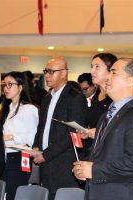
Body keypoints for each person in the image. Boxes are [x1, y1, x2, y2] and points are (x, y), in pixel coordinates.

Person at [73, 58, 133, 200]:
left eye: (113, 73)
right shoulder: (106, 115)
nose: (107, 77)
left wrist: (94, 170)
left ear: (131, 80)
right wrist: (84, 167)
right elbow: (101, 153)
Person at [32, 56, 87, 200]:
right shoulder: (47, 98)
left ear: (64, 73)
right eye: (46, 71)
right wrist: (36, 146)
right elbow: (42, 126)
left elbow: (73, 132)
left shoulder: (75, 97)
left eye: (52, 71)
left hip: (64, 163)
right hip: (46, 162)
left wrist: (46, 155)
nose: (47, 75)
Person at [0, 71, 39, 200]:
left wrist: (9, 137)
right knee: (4, 194)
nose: (6, 88)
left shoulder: (29, 109)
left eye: (10, 84)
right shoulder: (9, 108)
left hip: (21, 158)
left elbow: (31, 141)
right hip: (6, 157)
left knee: (14, 195)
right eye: (4, 85)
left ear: (20, 87)